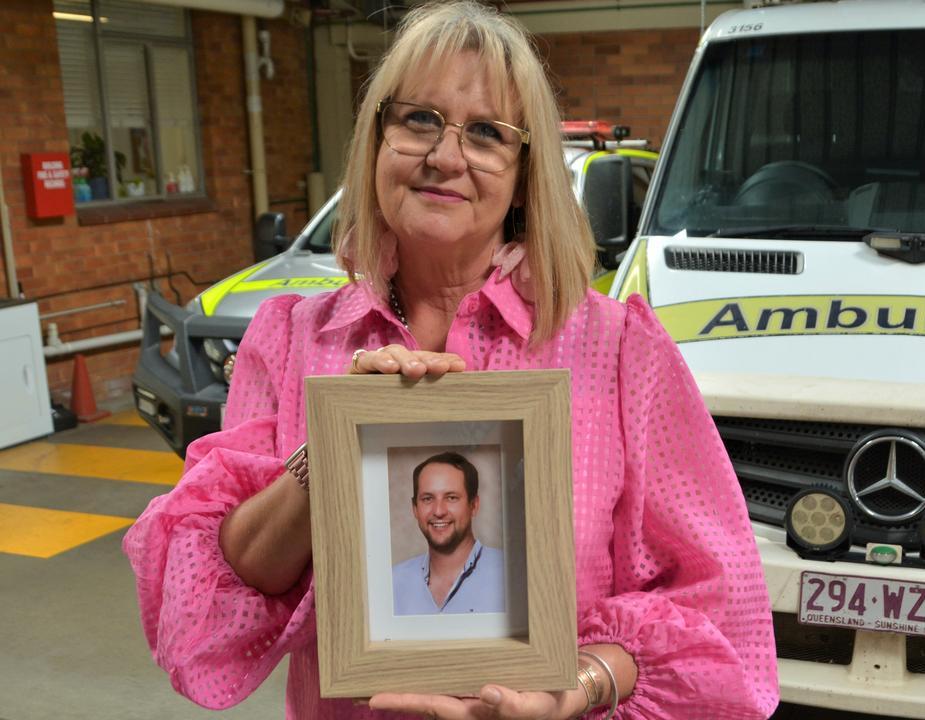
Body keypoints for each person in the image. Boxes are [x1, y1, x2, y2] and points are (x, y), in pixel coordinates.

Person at [123, 1, 778, 718]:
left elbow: (716, 598)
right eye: (418, 120)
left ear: (526, 174)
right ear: (376, 141)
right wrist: (335, 446)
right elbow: (233, 580)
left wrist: (580, 685)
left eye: (488, 134)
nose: (445, 156)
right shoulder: (292, 338)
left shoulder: (617, 348)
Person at [392, 452, 505, 615]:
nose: (438, 511)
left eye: (451, 498)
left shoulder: (510, 575)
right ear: (415, 509)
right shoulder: (392, 583)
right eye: (427, 499)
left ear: (474, 505)